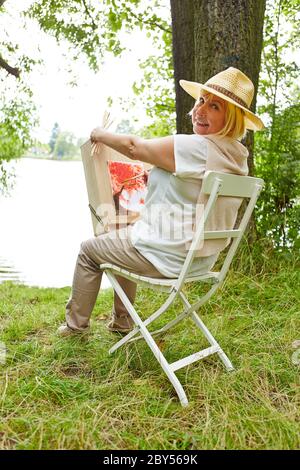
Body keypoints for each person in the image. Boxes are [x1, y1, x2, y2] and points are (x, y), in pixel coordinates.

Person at [58, 67, 264, 336]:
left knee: (89, 250)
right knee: (124, 233)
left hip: (167, 256)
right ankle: (122, 323)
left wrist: (100, 134)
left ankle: (75, 327)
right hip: (201, 260)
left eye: (214, 106)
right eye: (201, 100)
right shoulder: (237, 155)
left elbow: (135, 147)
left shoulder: (198, 148)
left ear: (232, 119)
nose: (201, 110)